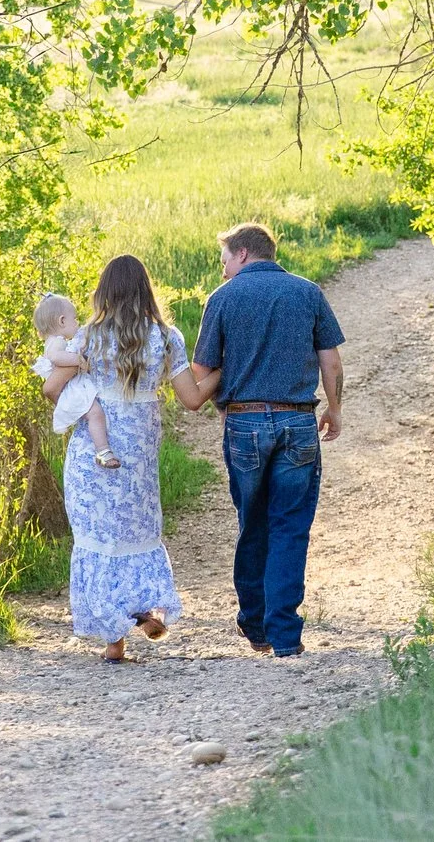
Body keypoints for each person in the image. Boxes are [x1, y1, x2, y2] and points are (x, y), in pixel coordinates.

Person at [177, 222, 343, 659]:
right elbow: (331, 360)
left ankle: (255, 627)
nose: (224, 270)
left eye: (225, 261)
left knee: (253, 523)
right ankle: (286, 635)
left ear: (243, 254)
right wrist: (335, 408)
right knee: (290, 527)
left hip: (245, 424)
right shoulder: (308, 292)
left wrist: (228, 401)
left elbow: (201, 372)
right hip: (298, 422)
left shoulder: (222, 299)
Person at [44, 255, 188, 661]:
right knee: (138, 533)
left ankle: (114, 643)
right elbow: (190, 396)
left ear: (104, 291)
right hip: (139, 454)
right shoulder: (166, 336)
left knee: (100, 537)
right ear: (146, 288)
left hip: (95, 451)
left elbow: (52, 389)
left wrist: (88, 399)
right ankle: (146, 610)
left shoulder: (89, 337)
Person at [30, 291, 119, 469]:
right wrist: (79, 361)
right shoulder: (57, 342)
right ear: (62, 321)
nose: (77, 323)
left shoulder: (56, 340)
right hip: (71, 388)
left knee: (93, 414)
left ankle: (103, 450)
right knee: (96, 413)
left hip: (71, 386)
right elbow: (56, 358)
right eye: (75, 319)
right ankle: (103, 451)